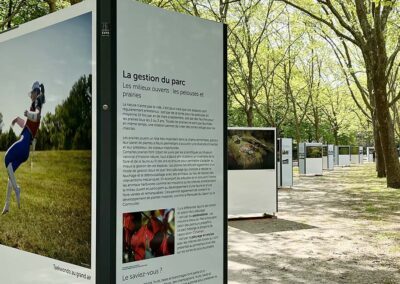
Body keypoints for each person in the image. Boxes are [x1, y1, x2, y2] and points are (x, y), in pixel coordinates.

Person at [2, 81, 45, 215]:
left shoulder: (37, 102)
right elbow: (27, 126)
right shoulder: (33, 106)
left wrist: (27, 114)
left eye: (32, 93)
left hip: (24, 143)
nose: (31, 95)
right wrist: (17, 119)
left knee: (6, 158)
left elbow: (37, 116)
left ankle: (17, 189)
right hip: (25, 149)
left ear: (36, 93)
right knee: (11, 174)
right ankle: (7, 205)